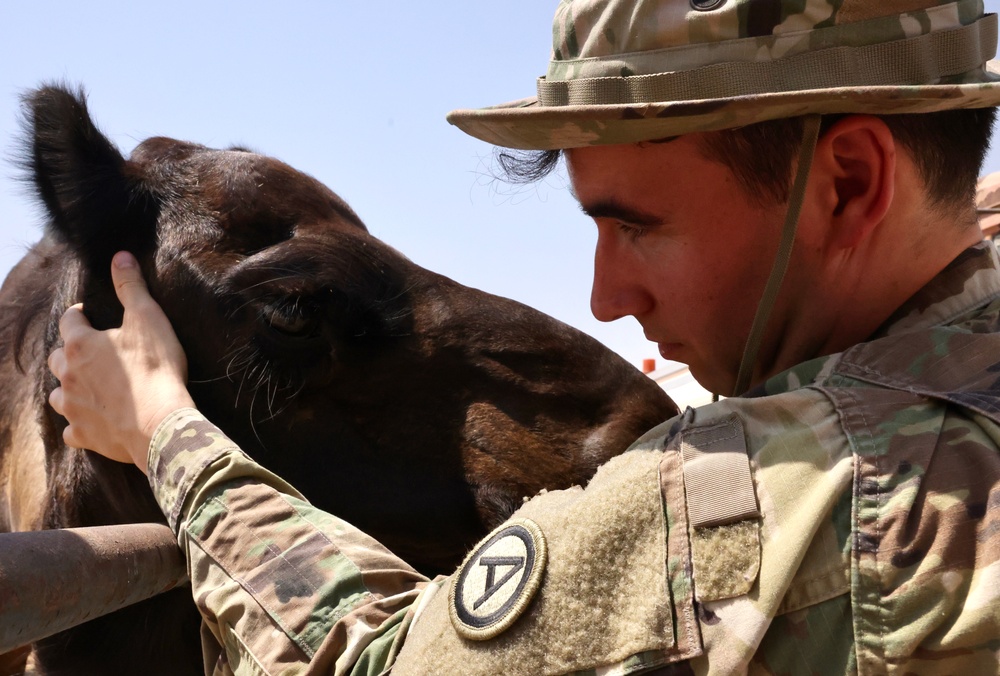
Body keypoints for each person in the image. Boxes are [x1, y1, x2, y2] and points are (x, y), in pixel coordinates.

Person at [47, 0, 1000, 673]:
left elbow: (373, 666)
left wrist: (162, 432)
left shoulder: (779, 499)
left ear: (848, 184)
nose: (604, 295)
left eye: (637, 226)